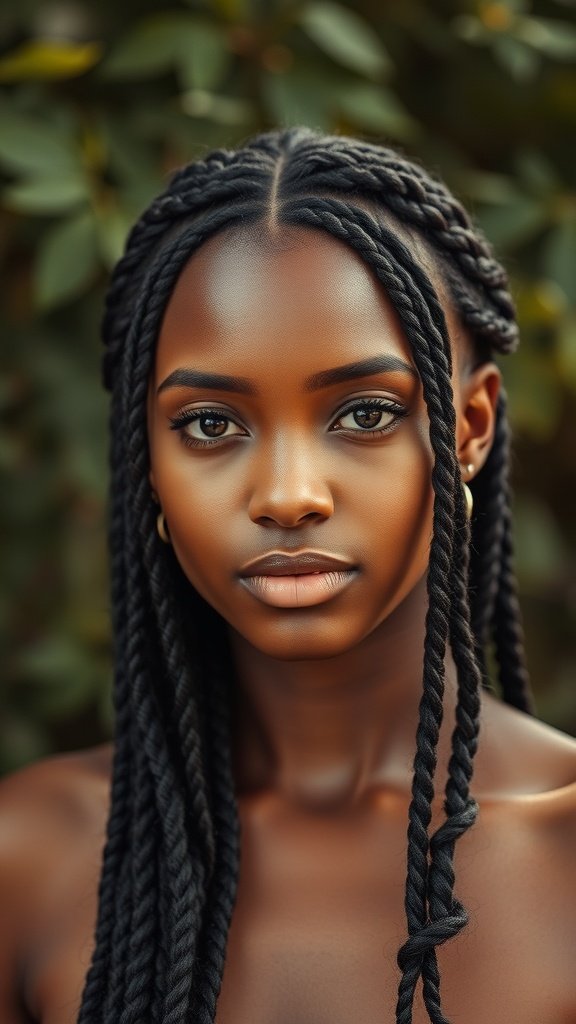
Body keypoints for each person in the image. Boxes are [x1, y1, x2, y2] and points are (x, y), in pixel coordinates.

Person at [0, 128, 574, 1024]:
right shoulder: (30, 857)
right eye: (211, 426)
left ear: (469, 428)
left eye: (365, 412)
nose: (287, 496)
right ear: (144, 459)